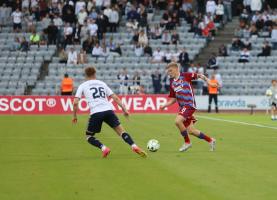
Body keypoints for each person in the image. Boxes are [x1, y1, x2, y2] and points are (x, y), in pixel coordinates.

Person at [72, 67, 147, 158]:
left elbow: (75, 102)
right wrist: (124, 110)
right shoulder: (102, 83)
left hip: (96, 113)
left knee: (89, 136)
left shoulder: (83, 85)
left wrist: (74, 116)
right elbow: (115, 97)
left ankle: (104, 148)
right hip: (108, 110)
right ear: (95, 73)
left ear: (85, 75)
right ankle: (134, 146)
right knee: (121, 132)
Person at [160, 62, 216, 152]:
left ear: (176, 69)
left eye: (170, 71)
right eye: (168, 71)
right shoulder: (172, 83)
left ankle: (187, 142)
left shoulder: (185, 76)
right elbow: (174, 99)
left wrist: (209, 82)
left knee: (178, 121)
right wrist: (164, 105)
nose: (169, 73)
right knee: (191, 130)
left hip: (189, 104)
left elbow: (200, 76)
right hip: (183, 108)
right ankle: (210, 140)